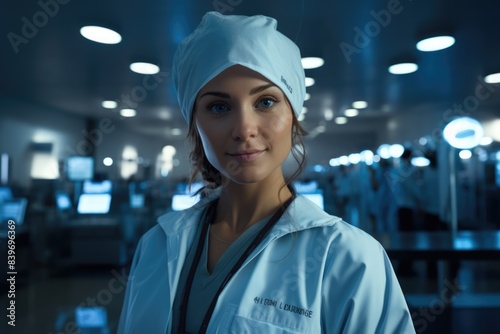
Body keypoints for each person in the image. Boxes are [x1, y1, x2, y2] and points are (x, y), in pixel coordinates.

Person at [118, 11, 415, 333]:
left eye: (266, 102)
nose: (245, 129)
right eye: (219, 107)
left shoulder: (348, 257)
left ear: (293, 114)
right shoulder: (157, 245)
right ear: (195, 124)